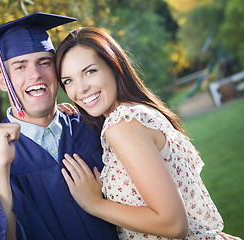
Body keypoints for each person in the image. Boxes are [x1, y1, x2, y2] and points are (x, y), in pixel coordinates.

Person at [55, 27, 241, 240]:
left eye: (90, 71)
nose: (80, 89)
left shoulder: (123, 124)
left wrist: (95, 204)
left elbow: (173, 224)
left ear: (114, 66)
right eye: (68, 81)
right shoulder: (137, 112)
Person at [0, 14, 119, 240]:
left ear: (57, 73)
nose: (35, 74)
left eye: (44, 63)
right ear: (2, 81)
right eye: (20, 67)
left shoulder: (94, 128)